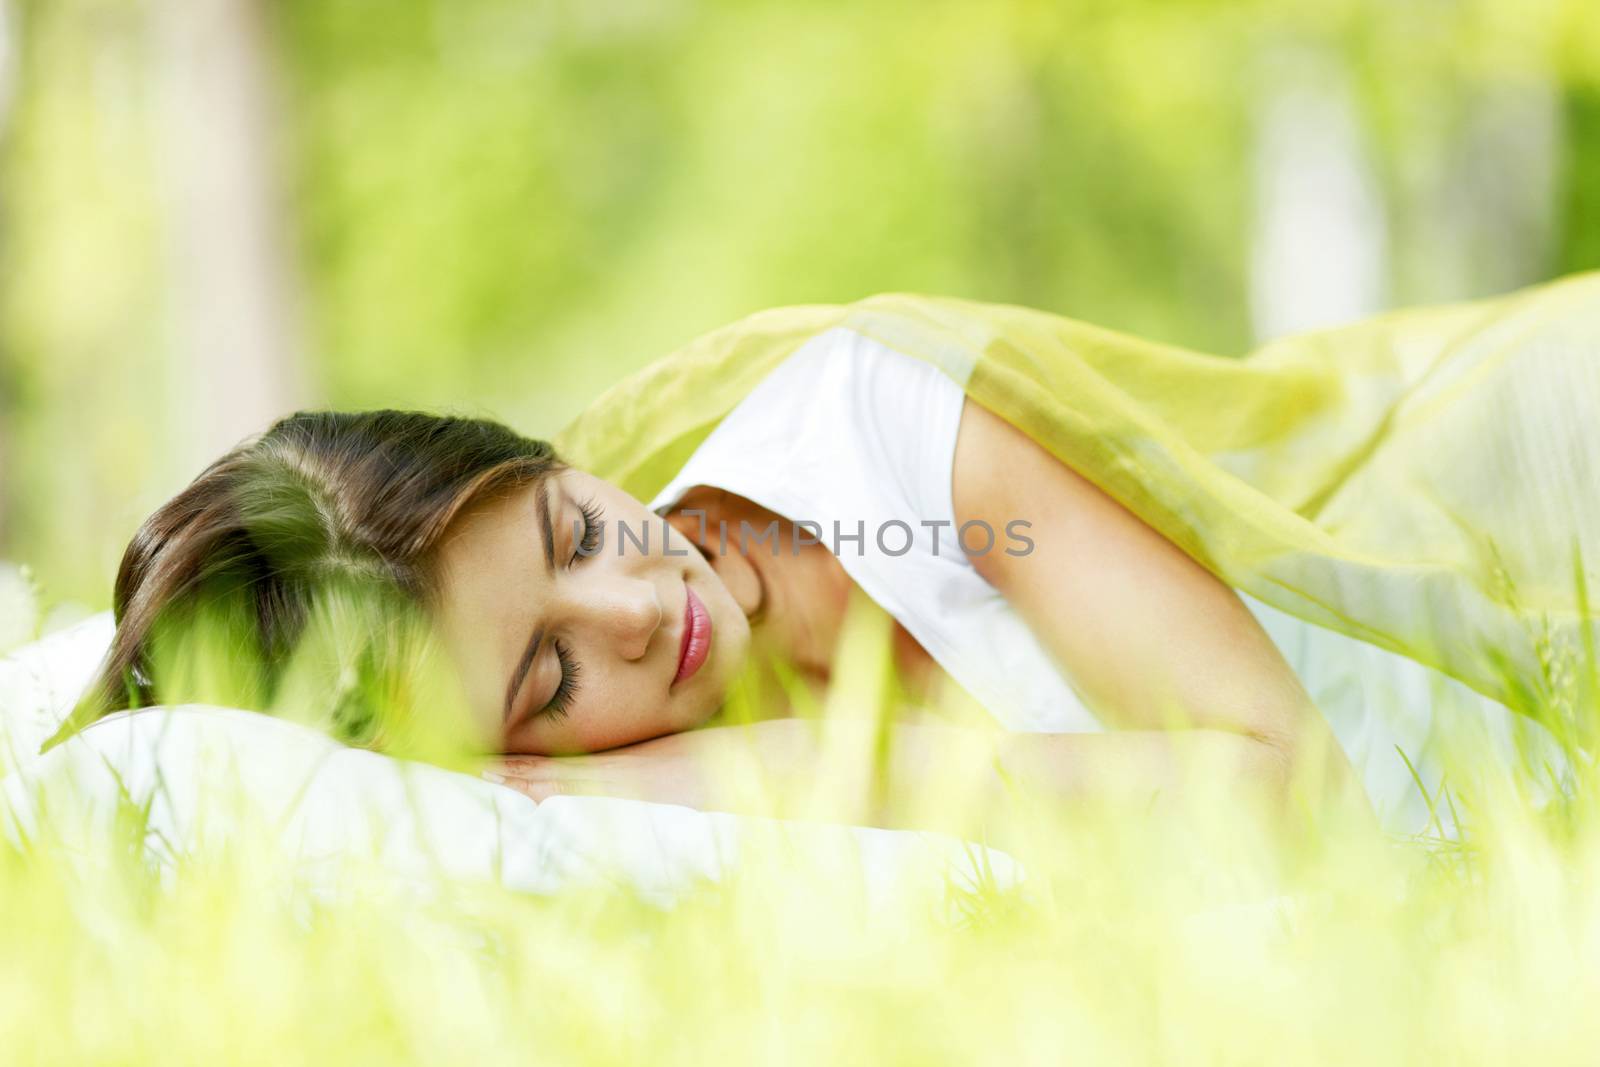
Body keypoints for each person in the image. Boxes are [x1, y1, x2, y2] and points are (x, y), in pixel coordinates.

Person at [56, 277, 1599, 838]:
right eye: (549, 671)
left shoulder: (885, 430)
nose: (640, 601)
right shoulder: (624, 835)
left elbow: (1288, 790)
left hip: (1511, 517)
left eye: (576, 527)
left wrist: (779, 764)